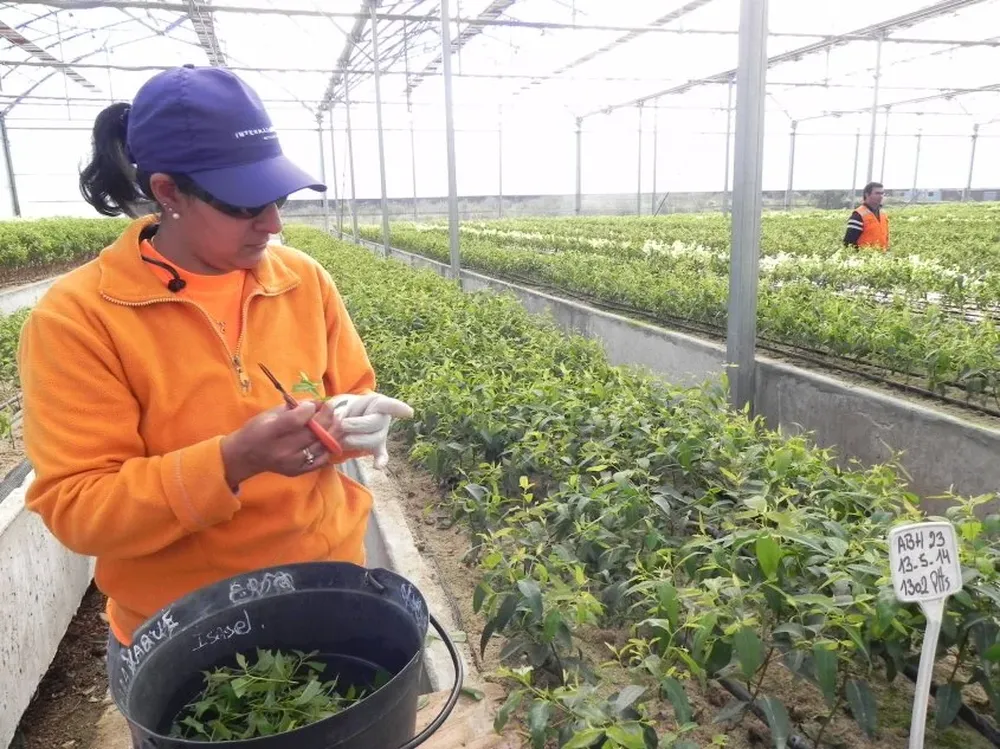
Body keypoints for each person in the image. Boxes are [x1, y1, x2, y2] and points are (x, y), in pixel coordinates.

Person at [16, 65, 414, 650]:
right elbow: (79, 508)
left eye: (277, 198)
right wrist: (230, 462)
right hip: (188, 633)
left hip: (327, 589)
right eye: (245, 205)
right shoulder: (78, 319)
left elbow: (348, 391)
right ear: (167, 192)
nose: (273, 224)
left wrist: (355, 422)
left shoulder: (302, 281)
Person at [844, 181, 890, 250]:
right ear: (867, 194)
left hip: (881, 255)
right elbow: (848, 243)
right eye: (877, 193)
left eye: (882, 193)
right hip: (865, 255)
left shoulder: (883, 214)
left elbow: (885, 238)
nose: (881, 196)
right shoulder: (858, 215)